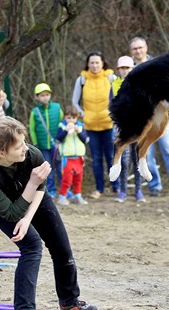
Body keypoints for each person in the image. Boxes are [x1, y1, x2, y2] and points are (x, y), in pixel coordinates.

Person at [0, 116, 99, 310]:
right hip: (6, 209)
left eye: (24, 142)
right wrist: (29, 189)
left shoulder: (31, 154)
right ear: (2, 153)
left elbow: (40, 187)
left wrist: (28, 216)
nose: (25, 148)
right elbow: (12, 212)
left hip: (36, 199)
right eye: (18, 146)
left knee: (61, 246)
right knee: (31, 246)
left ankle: (70, 304)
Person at [129, 36, 169, 197]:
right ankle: (154, 186)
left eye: (140, 47)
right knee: (147, 154)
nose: (138, 51)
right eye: (135, 49)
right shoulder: (129, 69)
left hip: (162, 117)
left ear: (146, 47)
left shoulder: (159, 65)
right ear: (131, 52)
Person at [72, 51, 119, 199]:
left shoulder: (111, 78)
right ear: (88, 64)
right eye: (91, 62)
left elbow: (120, 98)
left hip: (109, 125)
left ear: (103, 63)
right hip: (90, 126)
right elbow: (74, 101)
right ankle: (99, 189)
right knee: (97, 159)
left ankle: (116, 187)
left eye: (97, 62)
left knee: (112, 156)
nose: (94, 65)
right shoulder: (82, 80)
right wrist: (83, 114)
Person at [111, 55, 146, 203]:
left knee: (137, 158)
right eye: (122, 68)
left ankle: (138, 191)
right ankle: (123, 191)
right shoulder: (114, 85)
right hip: (121, 127)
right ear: (118, 70)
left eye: (128, 68)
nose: (125, 71)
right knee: (123, 161)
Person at [29, 82, 63, 198]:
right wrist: (35, 144)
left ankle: (65, 189)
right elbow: (32, 129)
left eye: (47, 95)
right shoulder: (35, 112)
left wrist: (61, 139)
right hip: (43, 146)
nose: (45, 97)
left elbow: (62, 123)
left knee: (60, 166)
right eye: (42, 95)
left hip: (57, 145)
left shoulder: (57, 108)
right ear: (36, 97)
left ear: (50, 95)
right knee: (48, 169)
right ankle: (51, 190)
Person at [55, 107, 89, 206]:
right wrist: (66, 131)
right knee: (67, 179)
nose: (71, 120)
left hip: (79, 158)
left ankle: (78, 196)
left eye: (73, 118)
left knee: (78, 179)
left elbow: (86, 140)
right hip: (67, 157)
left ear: (77, 118)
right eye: (68, 118)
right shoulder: (62, 126)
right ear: (65, 117)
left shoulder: (80, 126)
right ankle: (62, 197)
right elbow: (57, 139)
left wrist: (79, 132)